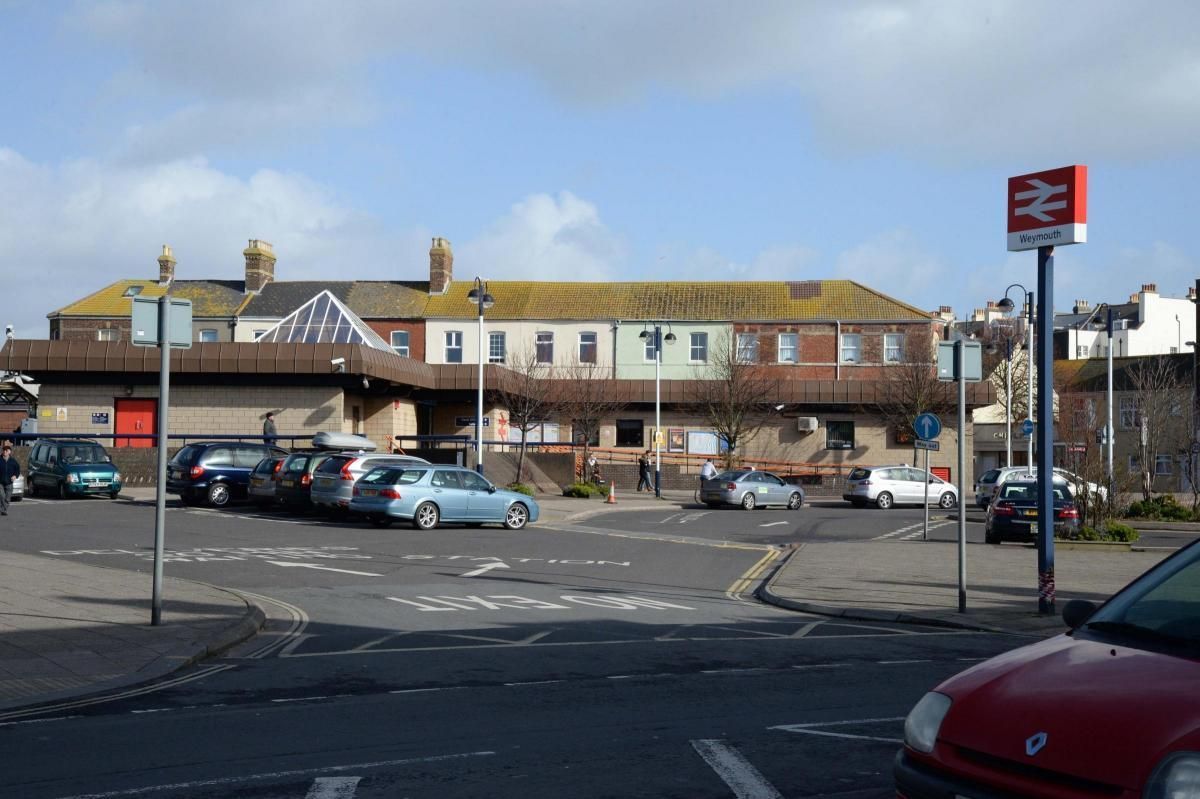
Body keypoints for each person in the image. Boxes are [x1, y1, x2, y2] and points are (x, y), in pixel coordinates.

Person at [0, 444, 19, 516]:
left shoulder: (13, 461)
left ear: (9, 452)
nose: (5, 451)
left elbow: (17, 470)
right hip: (0, 482)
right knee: (2, 496)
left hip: (9, 482)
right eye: (4, 450)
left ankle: (3, 510)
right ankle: (3, 510)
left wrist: (15, 476)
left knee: (7, 498)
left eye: (6, 450)